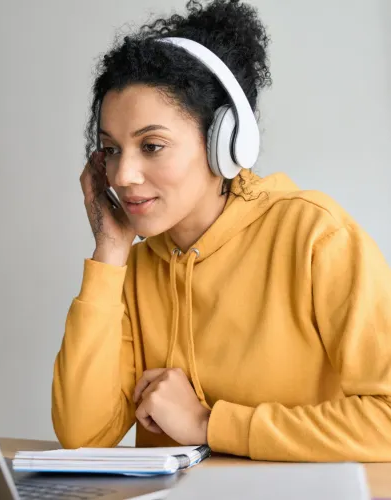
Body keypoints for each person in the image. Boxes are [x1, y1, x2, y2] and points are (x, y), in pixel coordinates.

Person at [52, 0, 391, 461]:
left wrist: (209, 424)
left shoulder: (316, 236)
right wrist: (110, 254)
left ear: (225, 143)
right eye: (111, 150)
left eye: (151, 146)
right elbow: (82, 436)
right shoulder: (135, 264)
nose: (122, 175)